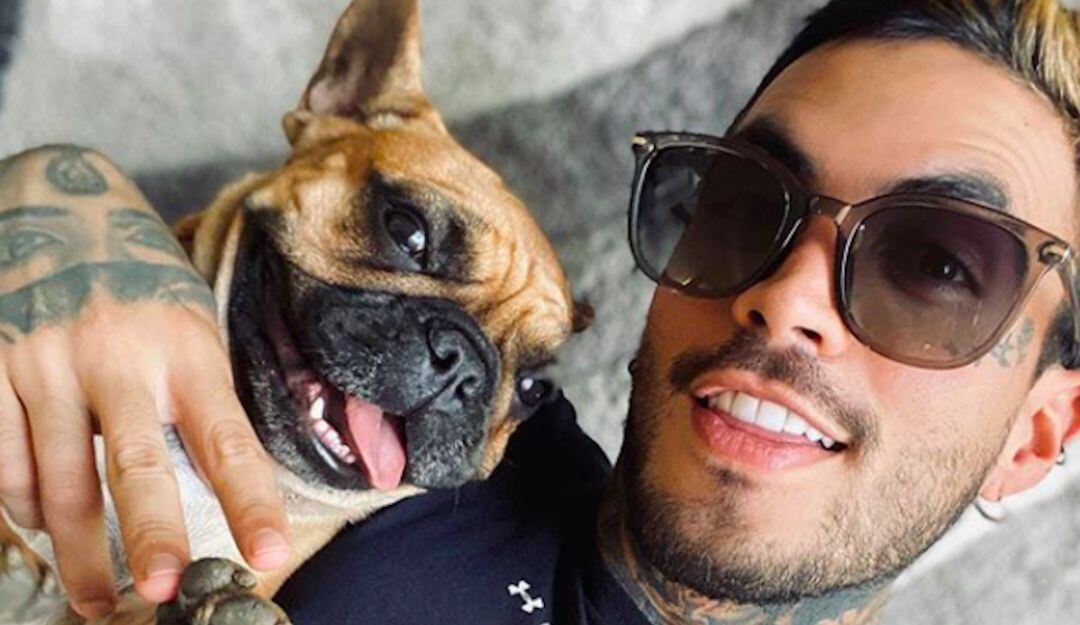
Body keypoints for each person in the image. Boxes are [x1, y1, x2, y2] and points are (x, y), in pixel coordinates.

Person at [2, 0, 1079, 623]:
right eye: (745, 204)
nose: (784, 294)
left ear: (1038, 435)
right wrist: (59, 201)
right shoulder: (452, 447)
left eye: (940, 266)